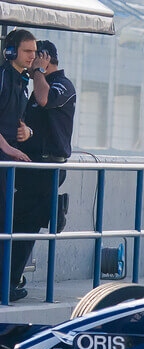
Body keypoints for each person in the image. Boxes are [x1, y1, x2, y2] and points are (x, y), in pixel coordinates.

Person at [9, 40, 76, 301]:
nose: (30, 61)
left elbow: (44, 98)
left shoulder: (62, 85)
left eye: (34, 56)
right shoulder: (31, 83)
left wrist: (38, 71)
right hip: (28, 164)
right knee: (16, 223)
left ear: (45, 57)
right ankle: (11, 278)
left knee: (26, 224)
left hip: (47, 167)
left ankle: (10, 282)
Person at [0, 28, 36, 301]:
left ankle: (5, 286)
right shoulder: (2, 76)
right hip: (3, 158)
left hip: (7, 164)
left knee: (6, 225)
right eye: (27, 51)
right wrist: (7, 146)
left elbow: (19, 124)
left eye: (34, 52)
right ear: (11, 51)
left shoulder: (23, 81)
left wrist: (27, 133)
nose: (32, 57)